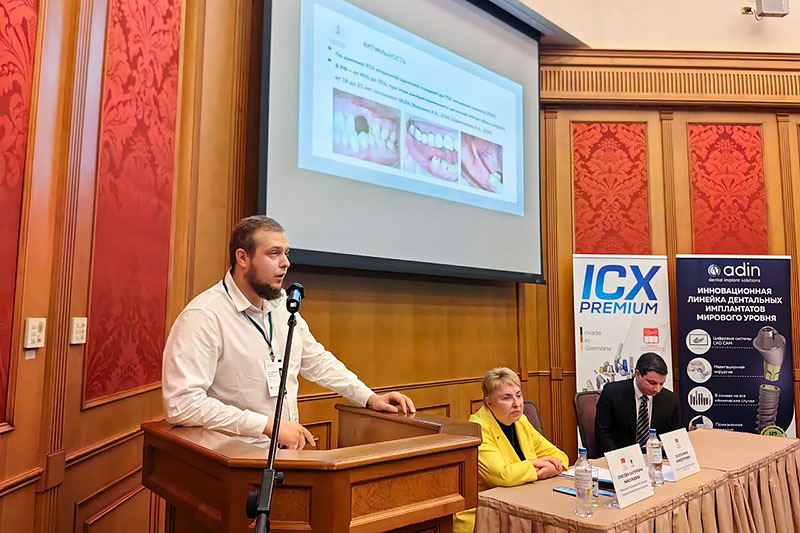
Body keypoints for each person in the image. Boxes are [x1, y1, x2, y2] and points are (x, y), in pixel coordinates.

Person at [162, 216, 415, 449]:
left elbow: (317, 361)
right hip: (234, 463)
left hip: (290, 455)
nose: (285, 263)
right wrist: (266, 426)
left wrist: (368, 397)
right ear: (242, 258)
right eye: (274, 253)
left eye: (286, 253)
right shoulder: (204, 316)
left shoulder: (282, 304)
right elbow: (182, 404)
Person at [454, 368, 568, 533]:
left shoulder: (521, 421)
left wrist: (555, 467)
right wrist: (538, 466)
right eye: (507, 398)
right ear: (489, 402)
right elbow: (503, 475)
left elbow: (559, 455)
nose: (517, 404)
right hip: (486, 517)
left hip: (523, 503)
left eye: (519, 395)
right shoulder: (477, 429)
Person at [594, 352, 680, 457]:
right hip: (619, 457)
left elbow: (672, 437)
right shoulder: (612, 393)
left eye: (661, 384)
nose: (657, 389)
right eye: (652, 383)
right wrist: (621, 459)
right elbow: (603, 434)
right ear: (638, 374)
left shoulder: (670, 400)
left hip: (655, 458)